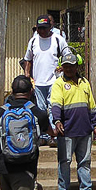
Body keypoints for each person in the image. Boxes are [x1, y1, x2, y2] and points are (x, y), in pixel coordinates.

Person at [50, 48, 96, 190]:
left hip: (85, 130)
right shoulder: (59, 84)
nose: (69, 69)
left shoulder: (85, 83)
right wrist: (57, 121)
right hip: (67, 131)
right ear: (62, 67)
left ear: (76, 66)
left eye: (71, 66)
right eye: (66, 66)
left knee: (84, 162)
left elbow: (91, 105)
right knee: (65, 162)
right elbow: (56, 104)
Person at [23, 14, 67, 142]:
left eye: (45, 28)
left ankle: (54, 135)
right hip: (38, 82)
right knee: (41, 111)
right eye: (40, 28)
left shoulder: (58, 40)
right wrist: (27, 76)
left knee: (54, 108)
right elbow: (28, 59)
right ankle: (43, 135)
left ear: (50, 27)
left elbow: (68, 57)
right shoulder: (33, 41)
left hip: (55, 81)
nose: (42, 31)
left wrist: (63, 68)